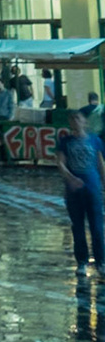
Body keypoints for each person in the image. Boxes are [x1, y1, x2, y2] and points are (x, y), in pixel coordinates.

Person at [57, 110, 105, 270]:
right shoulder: (65, 142)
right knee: (77, 227)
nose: (75, 121)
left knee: (97, 227)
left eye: (78, 118)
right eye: (72, 119)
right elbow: (61, 163)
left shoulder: (94, 140)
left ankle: (100, 261)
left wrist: (104, 184)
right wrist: (70, 178)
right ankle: (82, 262)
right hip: (74, 191)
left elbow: (100, 164)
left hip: (93, 188)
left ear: (85, 121)